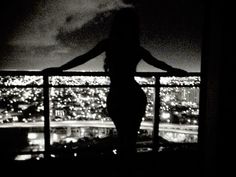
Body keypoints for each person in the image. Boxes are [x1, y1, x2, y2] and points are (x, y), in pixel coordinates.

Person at [43, 8, 187, 161]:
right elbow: (158, 63)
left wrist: (60, 69)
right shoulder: (136, 48)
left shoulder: (109, 44)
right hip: (134, 95)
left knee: (123, 137)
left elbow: (83, 58)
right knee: (131, 138)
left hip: (118, 96)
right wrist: (173, 70)